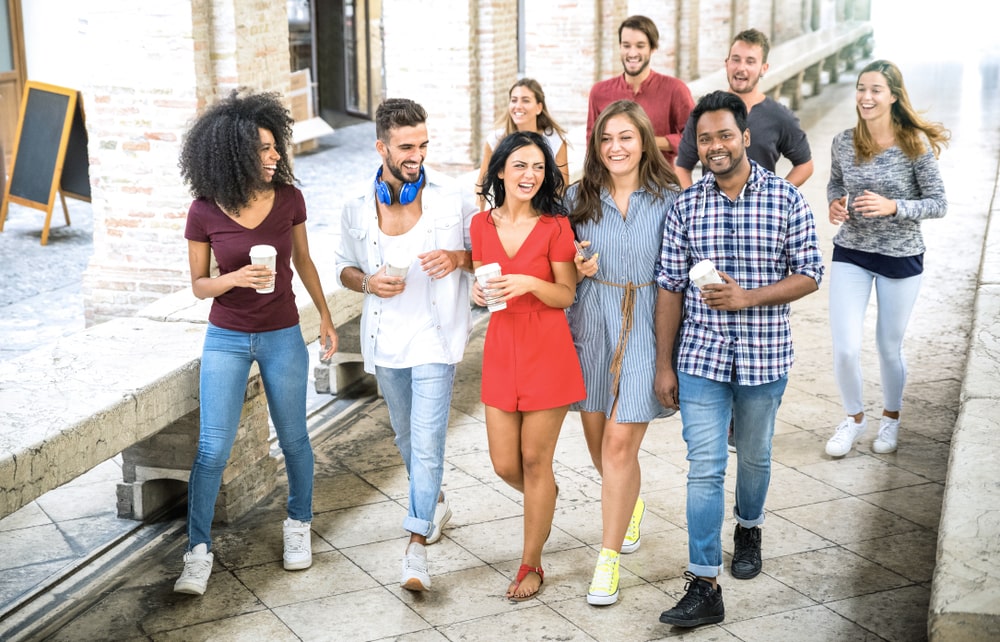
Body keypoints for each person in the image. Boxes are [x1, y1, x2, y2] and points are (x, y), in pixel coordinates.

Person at [653, 91, 823, 628]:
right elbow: (668, 288)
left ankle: (748, 526)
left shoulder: (785, 199)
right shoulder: (686, 205)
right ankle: (703, 582)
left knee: (754, 456)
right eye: (705, 138)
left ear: (746, 137)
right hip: (700, 358)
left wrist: (748, 296)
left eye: (725, 135)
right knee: (704, 468)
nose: (716, 146)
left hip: (763, 356)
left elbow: (811, 272)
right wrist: (663, 364)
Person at [175, 89, 339, 596]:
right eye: (264, 150)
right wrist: (236, 279)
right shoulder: (203, 211)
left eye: (275, 147)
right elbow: (200, 285)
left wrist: (327, 320)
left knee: (294, 438)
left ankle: (298, 526)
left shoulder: (289, 198)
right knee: (211, 447)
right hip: (225, 336)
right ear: (232, 153)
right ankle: (197, 552)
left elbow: (304, 262)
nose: (275, 157)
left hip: (281, 333)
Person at [335, 98, 477, 591]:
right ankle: (435, 504)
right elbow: (343, 268)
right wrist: (368, 282)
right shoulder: (355, 203)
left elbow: (484, 252)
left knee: (429, 439)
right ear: (381, 147)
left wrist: (457, 257)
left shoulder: (453, 196)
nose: (416, 155)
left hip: (436, 338)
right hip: (385, 340)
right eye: (406, 147)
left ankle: (415, 549)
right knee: (406, 437)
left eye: (422, 145)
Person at [566, 100, 681, 606]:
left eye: (626, 137)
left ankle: (606, 561)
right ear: (596, 145)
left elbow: (681, 275)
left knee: (617, 447)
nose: (616, 147)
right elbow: (549, 262)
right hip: (590, 324)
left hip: (647, 327)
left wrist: (672, 355)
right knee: (599, 448)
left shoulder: (670, 197)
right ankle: (629, 504)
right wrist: (572, 267)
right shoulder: (576, 199)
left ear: (644, 140)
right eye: (606, 138)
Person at [472, 130, 585, 602]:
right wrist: (479, 294)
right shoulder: (481, 225)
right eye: (520, 165)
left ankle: (531, 561)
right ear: (500, 170)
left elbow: (566, 293)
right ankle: (546, 496)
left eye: (538, 167)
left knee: (537, 461)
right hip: (501, 348)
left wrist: (528, 283)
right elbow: (484, 285)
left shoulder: (557, 226)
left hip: (547, 349)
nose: (530, 175)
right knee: (504, 464)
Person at [823, 60, 949, 458]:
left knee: (887, 346)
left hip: (900, 257)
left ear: (893, 96)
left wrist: (894, 206)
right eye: (861, 88)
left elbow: (938, 204)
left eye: (875, 89)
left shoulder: (915, 144)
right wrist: (834, 204)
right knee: (844, 346)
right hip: (852, 251)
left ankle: (890, 419)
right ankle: (854, 419)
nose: (866, 96)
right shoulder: (844, 142)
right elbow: (835, 183)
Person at [674, 28, 814, 189]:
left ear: (764, 68)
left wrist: (775, 195)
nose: (741, 68)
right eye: (736, 60)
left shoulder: (780, 117)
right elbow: (682, 167)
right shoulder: (705, 114)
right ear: (726, 64)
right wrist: (695, 204)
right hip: (714, 210)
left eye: (750, 61)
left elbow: (805, 165)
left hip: (759, 212)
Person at [586, 15, 694, 167]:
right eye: (626, 45)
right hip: (611, 184)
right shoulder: (599, 92)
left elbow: (693, 138)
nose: (632, 53)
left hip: (659, 184)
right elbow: (592, 145)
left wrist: (649, 141)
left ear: (653, 48)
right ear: (620, 47)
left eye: (640, 46)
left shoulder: (675, 89)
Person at [476, 78, 569, 206]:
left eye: (525, 100)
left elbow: (562, 190)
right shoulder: (495, 140)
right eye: (514, 100)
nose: (518, 106)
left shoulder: (554, 140)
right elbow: (482, 184)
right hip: (507, 215)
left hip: (545, 213)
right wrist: (476, 220)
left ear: (539, 107)